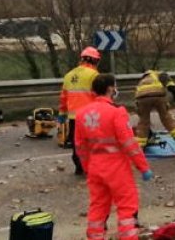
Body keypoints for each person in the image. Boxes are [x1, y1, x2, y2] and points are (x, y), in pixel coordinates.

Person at [74, 73, 153, 240]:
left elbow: (80, 147)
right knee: (126, 207)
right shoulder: (117, 112)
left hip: (95, 168)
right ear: (110, 89)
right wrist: (143, 167)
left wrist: (88, 168)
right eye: (115, 86)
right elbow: (129, 144)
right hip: (117, 169)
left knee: (98, 207)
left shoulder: (81, 114)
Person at [60, 46, 102, 175]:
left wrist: (62, 114)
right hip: (90, 116)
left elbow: (63, 97)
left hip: (73, 117)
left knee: (76, 143)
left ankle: (79, 166)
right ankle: (91, 167)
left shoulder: (69, 75)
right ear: (95, 61)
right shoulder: (94, 75)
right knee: (92, 142)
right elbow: (99, 95)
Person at [133, 69, 175, 148]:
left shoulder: (142, 80)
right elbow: (171, 86)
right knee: (166, 118)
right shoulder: (160, 74)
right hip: (158, 95)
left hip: (142, 98)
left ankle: (140, 146)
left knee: (143, 122)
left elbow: (136, 97)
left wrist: (140, 112)